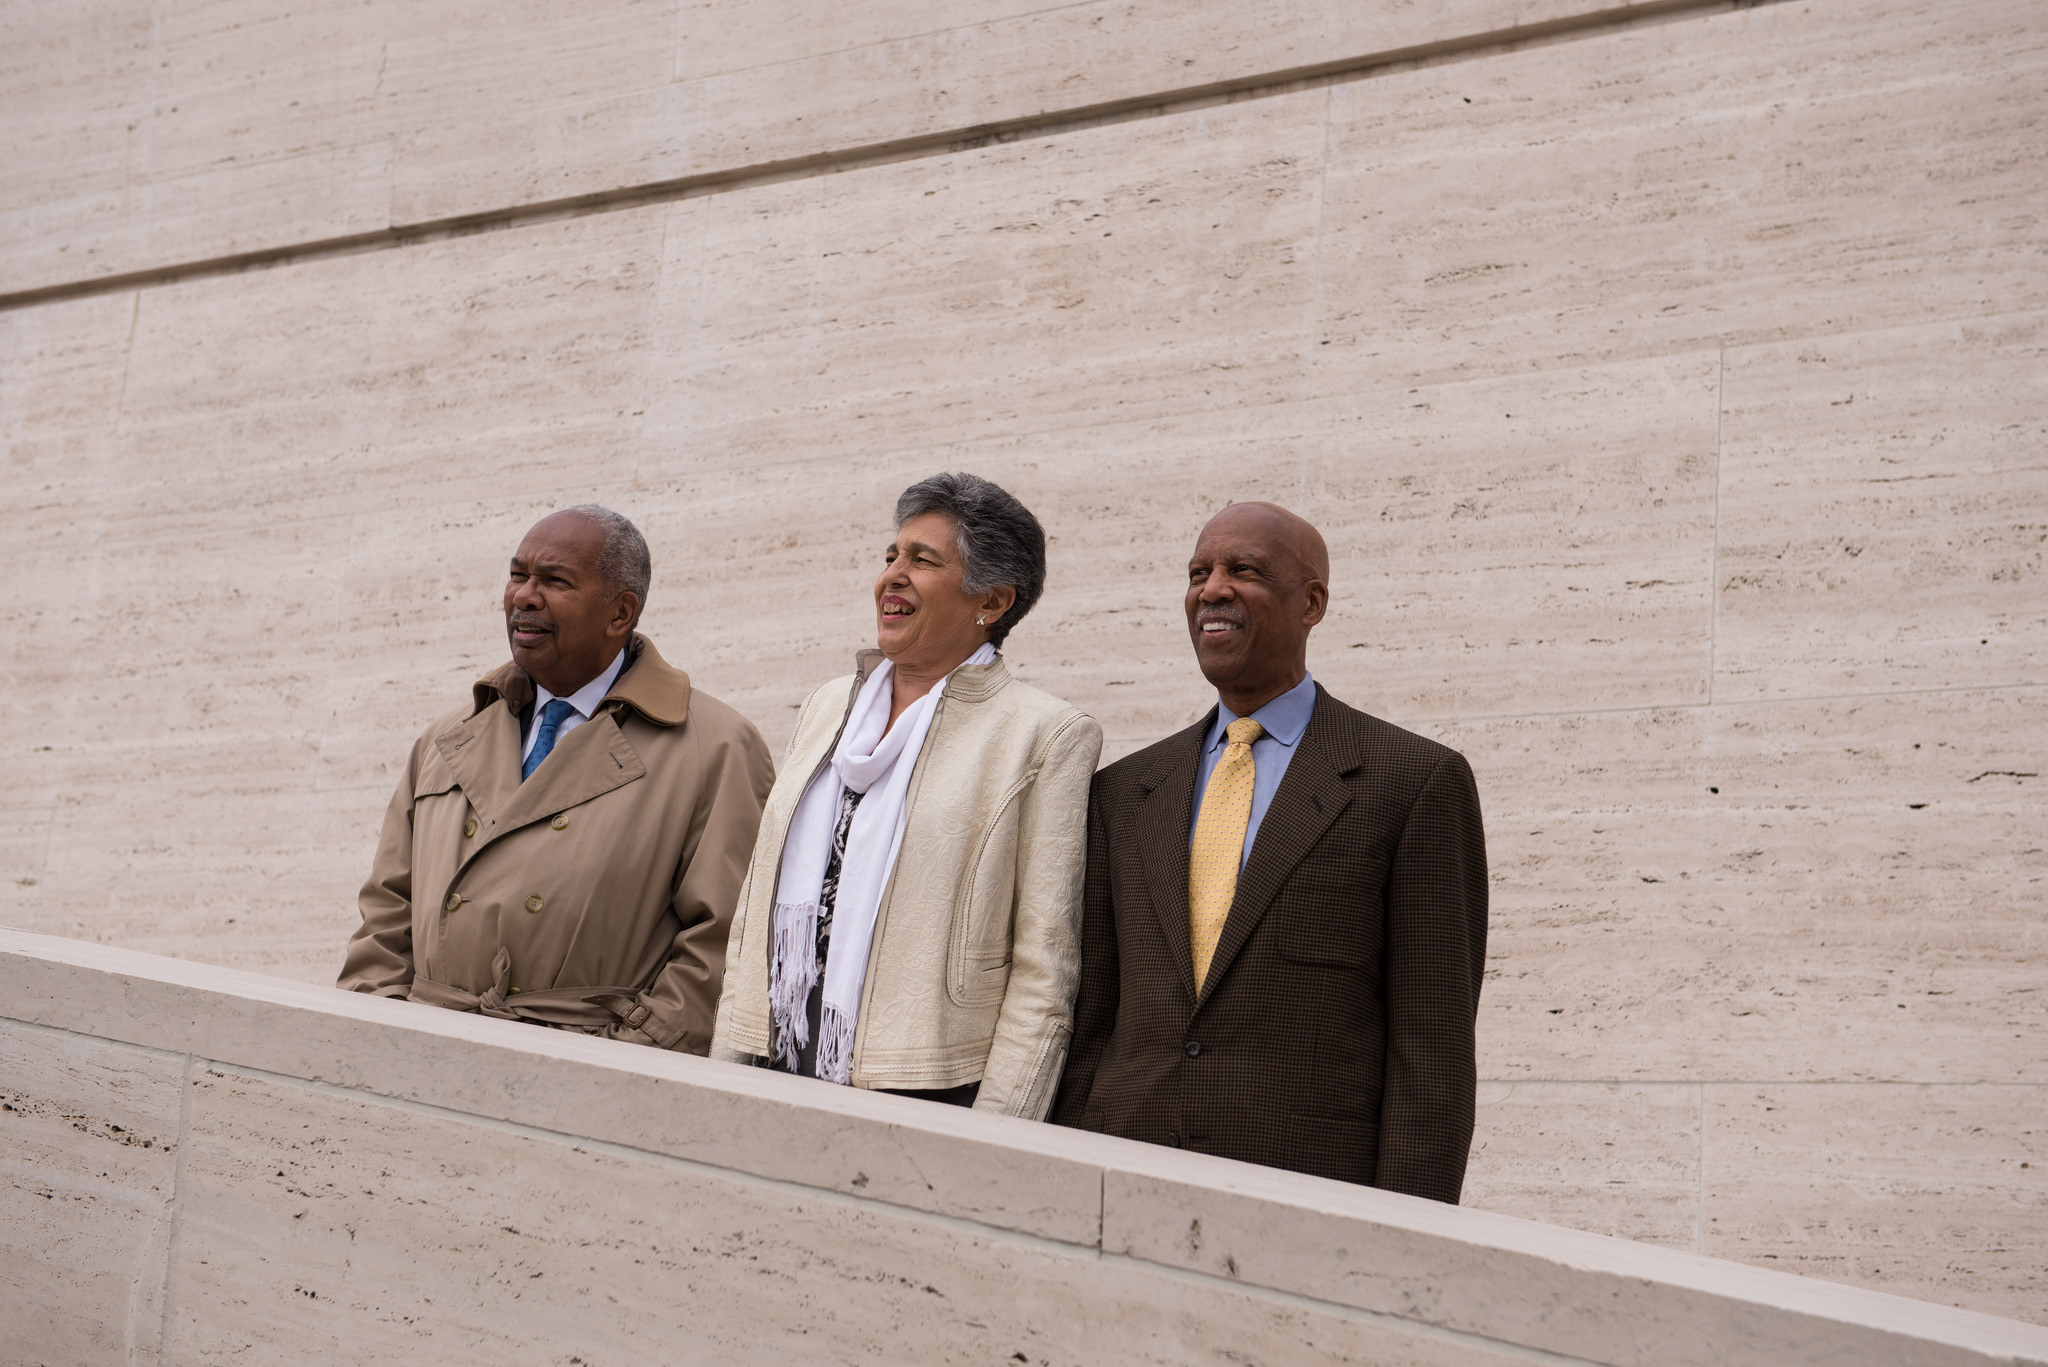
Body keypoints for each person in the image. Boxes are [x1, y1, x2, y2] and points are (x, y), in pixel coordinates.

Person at [1050, 502, 1487, 1202]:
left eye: (1243, 570)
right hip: (1121, 1183)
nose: (1211, 589)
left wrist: (1410, 1243)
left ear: (1312, 601)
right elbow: (1090, 1021)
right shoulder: (1123, 792)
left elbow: (1430, 1053)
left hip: (1307, 1194)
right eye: (1198, 572)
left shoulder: (1413, 781)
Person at [712, 473, 1101, 1116]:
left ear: (994, 601)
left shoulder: (1044, 735)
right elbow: (755, 915)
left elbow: (1044, 971)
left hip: (922, 1088)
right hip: (775, 1059)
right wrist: (726, 1074)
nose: (893, 574)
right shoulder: (828, 706)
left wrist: (997, 1135)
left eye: (924, 560)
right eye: (892, 555)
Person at [339, 505, 774, 1053]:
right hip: (422, 1050)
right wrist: (375, 1029)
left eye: (555, 581)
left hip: (586, 1070)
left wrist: (622, 1061)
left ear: (620, 613)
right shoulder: (446, 737)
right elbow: (387, 908)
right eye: (518, 575)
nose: (524, 595)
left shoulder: (716, 746)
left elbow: (723, 941)